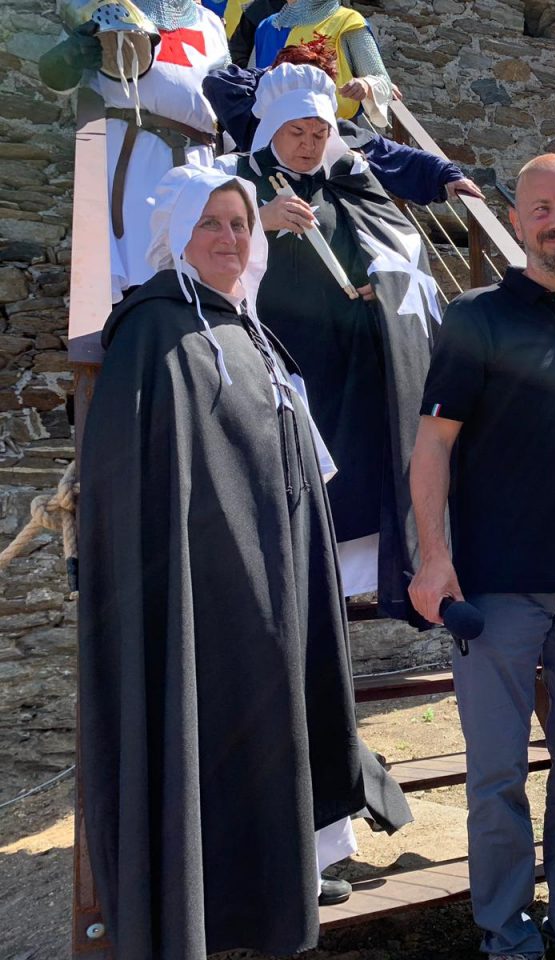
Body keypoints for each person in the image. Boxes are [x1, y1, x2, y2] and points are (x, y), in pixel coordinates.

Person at [77, 164, 366, 959]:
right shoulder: (154, 331)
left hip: (271, 594)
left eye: (241, 224)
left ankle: (270, 908)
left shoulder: (248, 333)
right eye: (212, 224)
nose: (231, 239)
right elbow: (139, 487)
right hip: (200, 601)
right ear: (175, 234)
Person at [408, 153, 555, 960]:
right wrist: (434, 559)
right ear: (517, 219)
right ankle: (507, 938)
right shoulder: (475, 315)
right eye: (540, 207)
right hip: (497, 589)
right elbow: (432, 446)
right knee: (497, 775)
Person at [221, 62, 437, 624]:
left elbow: (402, 247)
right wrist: (258, 220)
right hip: (274, 354)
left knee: (361, 471)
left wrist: (380, 280)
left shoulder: (351, 174)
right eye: (297, 133)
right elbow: (178, 247)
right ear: (271, 129)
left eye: (319, 134)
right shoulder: (234, 176)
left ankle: (358, 584)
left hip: (352, 355)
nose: (310, 145)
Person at [38, 0, 228, 301]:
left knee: (196, 281)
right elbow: (61, 82)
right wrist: (67, 60)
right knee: (138, 278)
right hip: (134, 158)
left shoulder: (210, 23)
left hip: (198, 163)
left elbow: (224, 96)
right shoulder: (105, 10)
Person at [202, 38, 484, 205]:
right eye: (297, 131)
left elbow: (391, 154)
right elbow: (218, 82)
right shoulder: (248, 122)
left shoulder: (339, 137)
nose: (308, 142)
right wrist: (280, 84)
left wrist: (447, 174)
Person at [250, 0, 393, 126]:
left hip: (333, 132)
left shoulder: (347, 21)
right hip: (273, 132)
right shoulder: (267, 27)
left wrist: (366, 84)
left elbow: (381, 80)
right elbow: (253, 82)